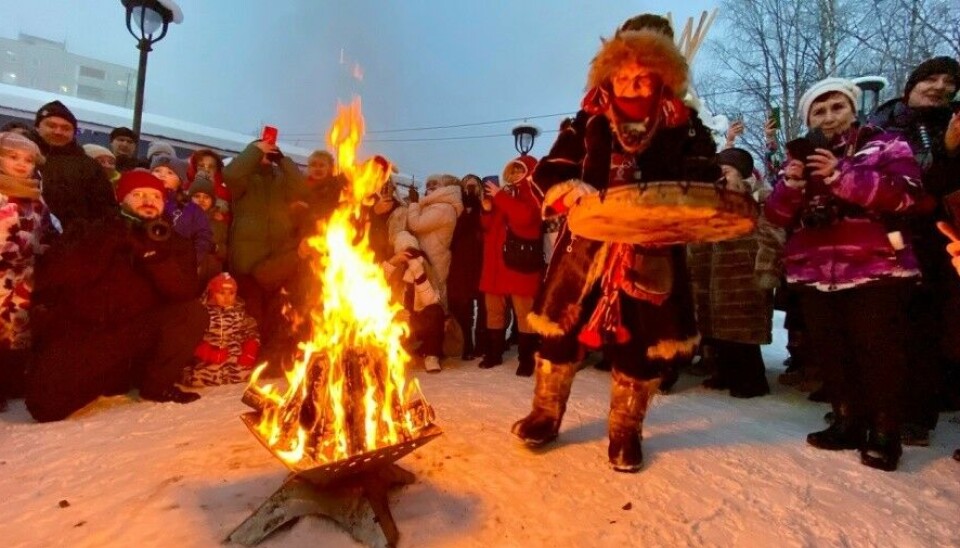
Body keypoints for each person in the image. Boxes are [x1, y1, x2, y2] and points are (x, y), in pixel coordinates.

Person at [513, 14, 718, 472]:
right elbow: (553, 168)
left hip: (651, 250)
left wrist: (702, 189)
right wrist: (568, 189)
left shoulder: (683, 122)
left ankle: (626, 430)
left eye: (645, 73)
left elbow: (707, 172)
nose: (632, 80)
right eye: (625, 71)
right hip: (586, 247)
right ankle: (545, 413)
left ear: (664, 69)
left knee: (639, 343)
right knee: (560, 333)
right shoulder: (589, 117)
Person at [765, 77, 923, 471]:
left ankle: (885, 433)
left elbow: (907, 195)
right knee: (832, 352)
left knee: (879, 352)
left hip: (876, 268)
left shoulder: (885, 145)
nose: (829, 116)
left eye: (837, 106)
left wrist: (841, 176)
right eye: (818, 111)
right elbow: (776, 216)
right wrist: (791, 184)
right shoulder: (798, 160)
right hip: (814, 272)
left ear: (854, 110)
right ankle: (848, 421)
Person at [24, 170, 208, 422]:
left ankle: (155, 384)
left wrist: (154, 257)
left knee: (192, 313)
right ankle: (111, 375)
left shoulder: (174, 241)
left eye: (155, 196)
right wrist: (111, 241)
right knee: (46, 408)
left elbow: (184, 292)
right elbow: (60, 277)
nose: (148, 200)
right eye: (138, 194)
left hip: (138, 331)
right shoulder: (92, 229)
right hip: (90, 331)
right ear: (121, 198)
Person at [869, 56, 960, 445]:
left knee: (928, 324)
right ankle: (879, 404)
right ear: (912, 85)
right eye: (931, 78)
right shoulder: (883, 123)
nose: (940, 86)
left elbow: (940, 186)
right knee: (885, 323)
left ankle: (917, 415)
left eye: (949, 82)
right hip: (888, 233)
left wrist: (950, 150)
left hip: (941, 237)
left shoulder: (953, 124)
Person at [688, 147, 783, 398]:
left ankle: (753, 381)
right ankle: (725, 373)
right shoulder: (709, 200)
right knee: (718, 330)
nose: (721, 177)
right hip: (712, 277)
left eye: (726, 171)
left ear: (742, 174)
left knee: (744, 333)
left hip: (745, 275)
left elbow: (773, 234)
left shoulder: (759, 198)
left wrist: (766, 268)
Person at [222, 139, 307, 373]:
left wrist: (283, 161)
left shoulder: (281, 179)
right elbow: (230, 174)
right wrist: (254, 150)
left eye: (270, 150)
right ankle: (247, 364)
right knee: (252, 318)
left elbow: (303, 189)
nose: (267, 153)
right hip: (248, 262)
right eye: (263, 149)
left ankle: (269, 366)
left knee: (277, 317)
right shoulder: (245, 180)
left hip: (277, 262)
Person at [478, 156, 544, 375]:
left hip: (520, 264)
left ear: (529, 171)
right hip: (496, 263)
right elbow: (488, 226)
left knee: (525, 313)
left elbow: (525, 218)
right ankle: (493, 354)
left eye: (519, 170)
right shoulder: (505, 193)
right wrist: (487, 209)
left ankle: (527, 359)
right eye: (513, 170)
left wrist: (500, 197)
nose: (515, 175)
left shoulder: (534, 193)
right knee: (494, 311)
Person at [0, 132, 51, 412]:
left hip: (24, 277)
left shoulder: (35, 199)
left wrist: (43, 248)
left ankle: (12, 381)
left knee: (17, 330)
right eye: (13, 157)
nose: (21, 164)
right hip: (2, 273)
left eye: (28, 160)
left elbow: (44, 230)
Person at [33, 100, 117, 231]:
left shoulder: (89, 166)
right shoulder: (22, 156)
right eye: (51, 126)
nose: (58, 131)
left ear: (73, 133)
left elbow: (106, 210)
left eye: (66, 128)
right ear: (37, 127)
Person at [383, 231, 446, 373]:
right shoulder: (395, 270)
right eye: (404, 253)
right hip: (397, 318)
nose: (408, 257)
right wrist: (393, 262)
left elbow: (431, 301)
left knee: (436, 311)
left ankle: (431, 356)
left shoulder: (424, 267)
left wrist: (418, 273)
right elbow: (373, 284)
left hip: (418, 320)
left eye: (412, 253)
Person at [183, 273, 260, 386]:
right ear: (212, 293)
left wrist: (250, 349)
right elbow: (189, 337)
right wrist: (206, 352)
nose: (227, 298)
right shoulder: (201, 313)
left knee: (247, 375)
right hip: (208, 357)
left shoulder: (239, 313)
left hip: (233, 357)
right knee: (198, 379)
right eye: (222, 293)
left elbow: (251, 331)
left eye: (231, 293)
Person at [405, 173, 463, 303]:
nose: (430, 186)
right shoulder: (433, 206)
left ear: (443, 188)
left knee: (433, 300)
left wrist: (414, 203)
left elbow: (416, 224)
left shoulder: (444, 208)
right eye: (428, 184)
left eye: (434, 184)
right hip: (426, 259)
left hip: (434, 261)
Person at [151, 155, 213, 275]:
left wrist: (189, 262)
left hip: (175, 268)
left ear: (180, 181)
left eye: (170, 172)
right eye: (157, 170)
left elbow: (203, 238)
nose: (162, 175)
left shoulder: (192, 209)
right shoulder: (138, 200)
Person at [447, 174, 486, 361]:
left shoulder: (485, 208)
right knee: (464, 307)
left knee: (484, 307)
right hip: (461, 264)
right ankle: (467, 344)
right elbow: (452, 237)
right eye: (467, 186)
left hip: (482, 262)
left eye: (474, 186)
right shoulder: (456, 209)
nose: (470, 190)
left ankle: (482, 344)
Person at [189, 172, 229, 283]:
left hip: (211, 277)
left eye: (206, 197)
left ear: (212, 201)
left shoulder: (219, 223)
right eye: (197, 196)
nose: (201, 200)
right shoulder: (182, 219)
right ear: (190, 198)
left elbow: (226, 252)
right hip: (187, 276)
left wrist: (216, 248)